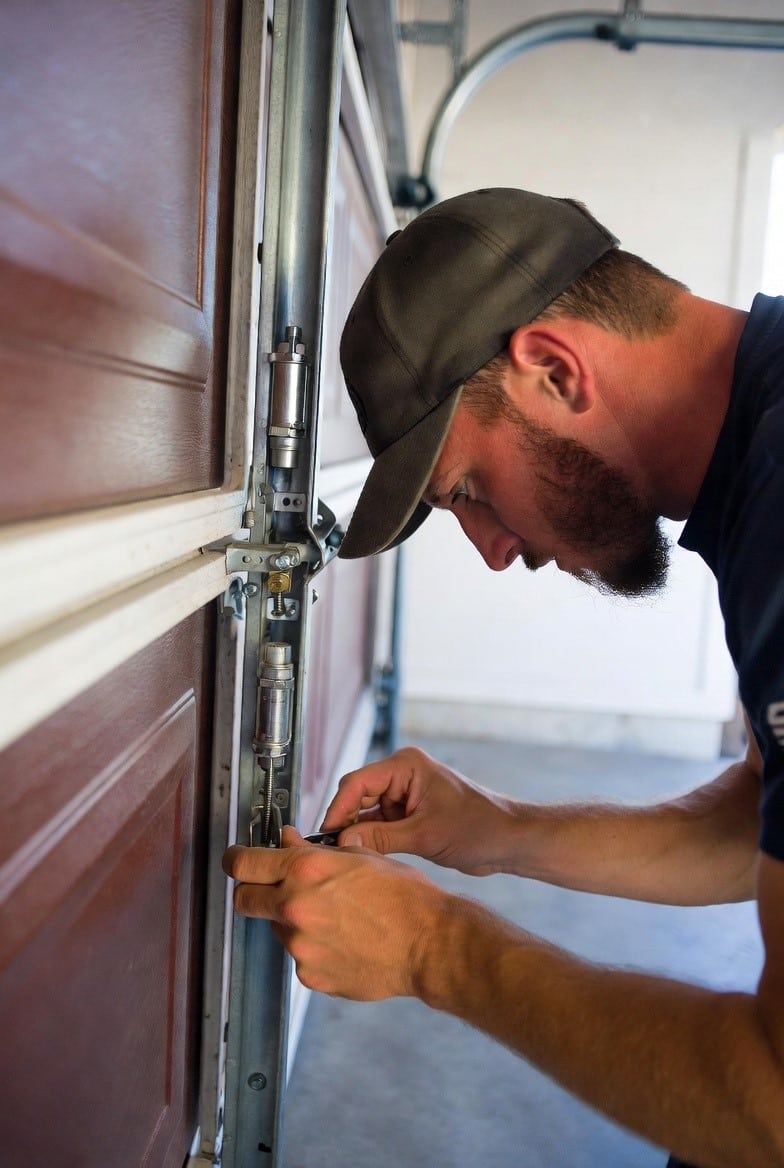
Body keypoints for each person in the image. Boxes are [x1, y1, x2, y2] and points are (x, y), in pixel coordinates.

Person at [223, 188, 784, 1167]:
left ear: (554, 371)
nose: (492, 551)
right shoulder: (755, 469)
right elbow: (754, 830)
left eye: (468, 490)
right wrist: (494, 832)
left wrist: (437, 949)